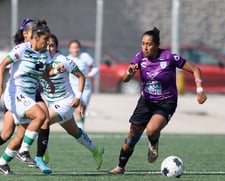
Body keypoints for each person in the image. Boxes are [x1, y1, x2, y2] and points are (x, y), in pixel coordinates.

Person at [109, 27, 207, 174]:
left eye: (149, 44)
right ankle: (120, 167)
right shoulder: (139, 57)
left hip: (166, 101)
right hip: (146, 101)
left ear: (157, 45)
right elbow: (125, 79)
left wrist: (200, 91)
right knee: (132, 136)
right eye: (143, 43)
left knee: (151, 129)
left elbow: (195, 69)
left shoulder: (169, 57)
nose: (145, 47)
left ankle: (153, 144)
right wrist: (129, 72)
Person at [0, 18, 51, 174]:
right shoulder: (21, 49)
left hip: (28, 97)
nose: (48, 43)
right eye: (45, 39)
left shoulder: (44, 54)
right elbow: (2, 64)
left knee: (15, 135)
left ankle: (1, 163)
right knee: (41, 116)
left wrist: (50, 81)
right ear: (32, 36)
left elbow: (44, 71)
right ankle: (27, 153)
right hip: (15, 94)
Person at [40, 34, 104, 170]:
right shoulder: (40, 59)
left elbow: (81, 76)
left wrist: (78, 97)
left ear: (56, 47)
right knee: (74, 132)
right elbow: (44, 74)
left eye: (52, 45)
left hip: (66, 101)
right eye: (46, 45)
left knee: (42, 120)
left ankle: (42, 155)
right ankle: (96, 150)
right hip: (52, 103)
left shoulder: (64, 60)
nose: (48, 48)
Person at [67, 40, 99, 130]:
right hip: (73, 88)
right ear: (69, 49)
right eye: (73, 48)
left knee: (82, 111)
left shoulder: (85, 57)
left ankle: (80, 129)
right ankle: (81, 132)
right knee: (78, 108)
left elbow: (96, 68)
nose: (75, 50)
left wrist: (89, 75)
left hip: (86, 88)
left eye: (77, 47)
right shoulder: (67, 59)